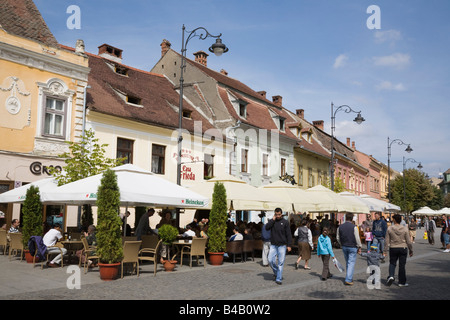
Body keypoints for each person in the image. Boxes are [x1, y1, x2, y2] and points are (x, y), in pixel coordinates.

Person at [385, 214, 413, 287]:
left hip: (393, 248)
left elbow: (386, 241)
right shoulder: (405, 228)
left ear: (394, 220)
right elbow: (409, 241)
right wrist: (411, 250)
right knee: (402, 265)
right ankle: (401, 282)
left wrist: (384, 251)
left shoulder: (390, 228)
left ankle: (391, 275)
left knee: (392, 263)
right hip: (403, 248)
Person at [265, 208, 292, 285]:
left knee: (280, 262)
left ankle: (278, 278)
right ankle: (276, 272)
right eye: (276, 214)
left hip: (282, 246)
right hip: (273, 245)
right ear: (274, 214)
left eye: (279, 214)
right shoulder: (272, 221)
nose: (277, 216)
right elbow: (267, 228)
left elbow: (288, 234)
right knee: (270, 260)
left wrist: (289, 245)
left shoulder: (285, 222)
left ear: (281, 214)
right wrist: (272, 220)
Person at [337, 212, 362, 285]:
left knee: (348, 262)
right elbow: (357, 238)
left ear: (345, 218)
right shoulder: (354, 227)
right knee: (351, 262)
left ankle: (349, 276)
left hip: (344, 246)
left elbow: (337, 237)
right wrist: (359, 246)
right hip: (352, 246)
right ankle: (348, 279)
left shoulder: (340, 227)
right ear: (351, 219)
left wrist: (341, 244)